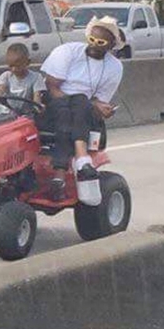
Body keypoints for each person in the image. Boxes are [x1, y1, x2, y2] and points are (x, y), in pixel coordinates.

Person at [41, 16, 124, 200]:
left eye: (100, 42)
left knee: (77, 107)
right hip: (54, 104)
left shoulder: (114, 67)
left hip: (83, 113)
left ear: (111, 45)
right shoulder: (67, 52)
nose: (94, 45)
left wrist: (102, 109)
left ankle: (59, 178)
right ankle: (81, 159)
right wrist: (87, 103)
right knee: (76, 103)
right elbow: (52, 86)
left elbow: (100, 102)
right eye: (92, 40)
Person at [0, 43, 46, 112]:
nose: (14, 69)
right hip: (7, 113)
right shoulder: (6, 76)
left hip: (26, 114)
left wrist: (38, 106)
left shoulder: (36, 77)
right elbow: (0, 90)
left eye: (18, 66)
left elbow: (37, 97)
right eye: (11, 66)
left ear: (28, 62)